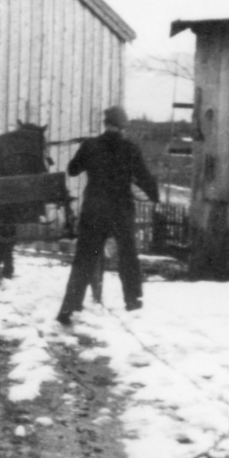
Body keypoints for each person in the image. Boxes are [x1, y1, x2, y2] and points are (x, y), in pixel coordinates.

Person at [57, 106, 159, 325]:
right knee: (128, 256)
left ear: (106, 124)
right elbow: (144, 177)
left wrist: (85, 153)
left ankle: (69, 308)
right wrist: (154, 195)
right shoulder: (130, 148)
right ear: (123, 127)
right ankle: (133, 302)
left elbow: (72, 169)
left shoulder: (90, 145)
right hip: (121, 211)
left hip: (94, 211)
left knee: (84, 259)